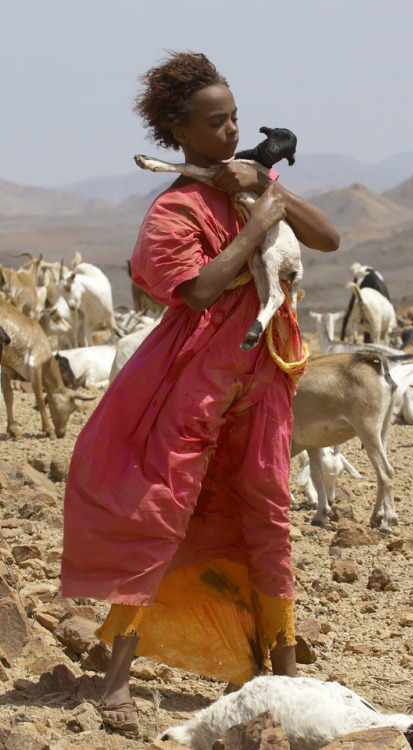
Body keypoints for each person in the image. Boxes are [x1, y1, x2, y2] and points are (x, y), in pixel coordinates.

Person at [61, 51, 339, 737]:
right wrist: (257, 218)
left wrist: (272, 191)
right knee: (163, 512)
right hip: (191, 386)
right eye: (215, 123)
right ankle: (116, 676)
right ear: (179, 132)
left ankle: (281, 673)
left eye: (236, 119)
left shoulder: (249, 182)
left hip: (263, 382)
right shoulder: (174, 210)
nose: (231, 131)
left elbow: (327, 239)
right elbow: (200, 289)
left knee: (269, 512)